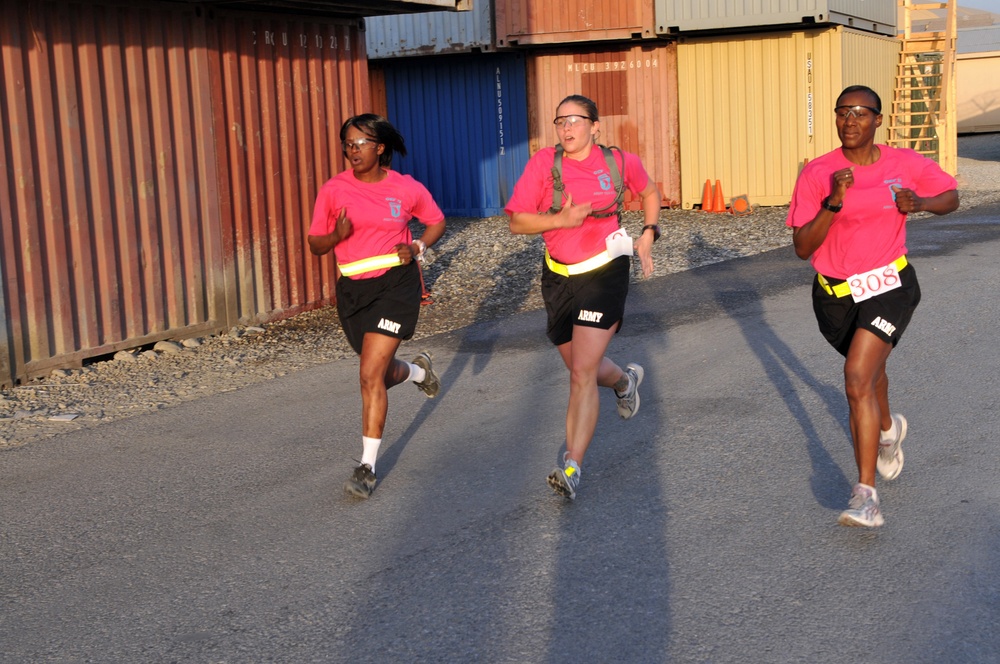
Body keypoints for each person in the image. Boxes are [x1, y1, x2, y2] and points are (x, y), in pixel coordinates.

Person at [787, 85, 958, 527]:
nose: (851, 120)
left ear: (878, 120)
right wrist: (832, 203)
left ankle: (866, 496)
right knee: (871, 373)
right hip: (834, 296)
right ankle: (887, 431)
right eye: (843, 111)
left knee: (857, 377)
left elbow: (951, 197)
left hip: (890, 285)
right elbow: (803, 247)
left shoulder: (903, 163)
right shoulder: (819, 173)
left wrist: (920, 203)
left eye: (861, 112)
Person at [505, 94, 662, 500]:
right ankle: (625, 381)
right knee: (581, 367)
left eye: (575, 120)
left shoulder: (619, 162)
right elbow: (517, 222)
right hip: (558, 277)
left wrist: (649, 233)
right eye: (560, 121)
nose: (566, 128)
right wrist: (560, 219)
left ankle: (572, 465)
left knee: (580, 375)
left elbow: (648, 192)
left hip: (605, 272)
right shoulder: (544, 164)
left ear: (595, 125)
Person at [308, 113, 447, 499]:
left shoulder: (405, 188)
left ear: (379, 147)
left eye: (360, 143)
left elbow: (436, 222)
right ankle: (418, 373)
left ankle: (367, 466)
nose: (352, 150)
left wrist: (417, 246)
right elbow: (315, 244)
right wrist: (336, 235)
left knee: (369, 375)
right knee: (378, 375)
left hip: (395, 284)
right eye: (347, 144)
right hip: (352, 289)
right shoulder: (334, 190)